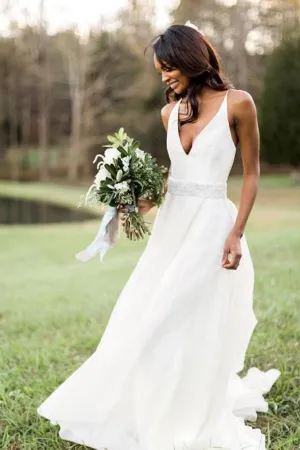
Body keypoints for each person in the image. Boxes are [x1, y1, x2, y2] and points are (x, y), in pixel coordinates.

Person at [37, 23, 280, 450]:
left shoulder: (238, 104)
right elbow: (171, 183)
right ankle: (149, 404)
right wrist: (133, 200)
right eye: (160, 70)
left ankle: (188, 412)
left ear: (191, 59)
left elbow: (252, 172)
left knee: (182, 315)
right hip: (170, 229)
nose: (165, 77)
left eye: (169, 67)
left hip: (210, 227)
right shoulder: (169, 113)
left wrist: (236, 233)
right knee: (144, 316)